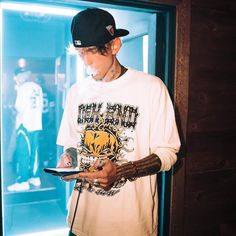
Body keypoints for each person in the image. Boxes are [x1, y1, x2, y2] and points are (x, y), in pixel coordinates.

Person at [57, 8, 180, 236]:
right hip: (81, 223)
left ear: (114, 46)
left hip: (130, 226)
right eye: (80, 53)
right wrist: (69, 159)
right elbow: (72, 143)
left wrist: (121, 171)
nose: (86, 61)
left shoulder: (151, 88)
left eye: (92, 51)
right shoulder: (77, 92)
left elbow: (167, 153)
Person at [7, 67, 43, 191]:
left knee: (23, 152)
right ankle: (35, 177)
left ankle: (22, 180)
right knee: (34, 151)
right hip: (36, 123)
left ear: (18, 76)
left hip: (24, 124)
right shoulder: (37, 87)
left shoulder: (22, 88)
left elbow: (19, 107)